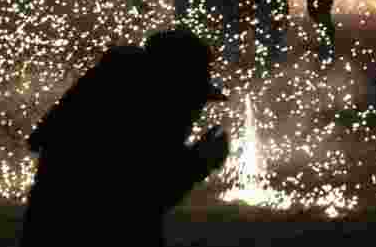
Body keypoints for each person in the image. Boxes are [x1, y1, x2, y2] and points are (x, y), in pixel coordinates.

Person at [20, 29, 230, 247]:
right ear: (171, 92)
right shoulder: (117, 122)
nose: (196, 113)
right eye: (194, 100)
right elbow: (134, 202)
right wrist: (199, 162)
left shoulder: (108, 104)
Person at [253, 0, 288, 70]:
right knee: (265, 45)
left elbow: (282, 0)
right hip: (262, 19)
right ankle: (266, 69)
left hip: (272, 19)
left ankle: (272, 68)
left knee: (273, 44)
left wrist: (283, 15)